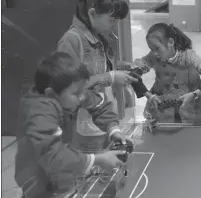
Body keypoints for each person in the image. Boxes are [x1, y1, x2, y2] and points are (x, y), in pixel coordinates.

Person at [15, 52, 132, 198]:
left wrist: (114, 130)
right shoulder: (38, 112)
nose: (82, 97)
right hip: (37, 183)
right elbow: (53, 156)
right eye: (77, 93)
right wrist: (98, 159)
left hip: (62, 177)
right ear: (51, 94)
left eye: (83, 90)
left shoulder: (66, 94)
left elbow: (99, 105)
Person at [57, 0, 140, 150]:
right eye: (112, 20)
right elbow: (68, 86)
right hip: (82, 126)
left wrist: (122, 67)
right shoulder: (72, 40)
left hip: (103, 121)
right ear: (92, 13)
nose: (115, 25)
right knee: (87, 171)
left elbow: (101, 67)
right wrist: (111, 77)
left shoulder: (100, 36)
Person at [134, 23, 201, 129]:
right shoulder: (152, 57)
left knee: (191, 136)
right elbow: (133, 75)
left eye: (157, 48)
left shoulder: (188, 56)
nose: (155, 53)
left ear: (170, 42)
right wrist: (149, 95)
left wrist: (194, 94)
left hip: (190, 107)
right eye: (151, 49)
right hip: (163, 107)